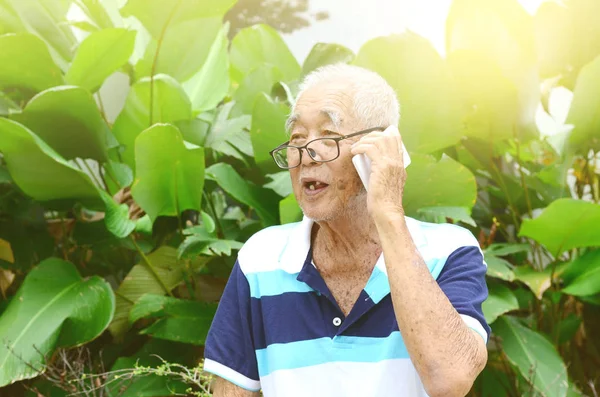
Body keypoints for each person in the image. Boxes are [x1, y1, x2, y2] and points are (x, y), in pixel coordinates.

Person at [203, 63, 490, 397]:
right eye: (297, 137)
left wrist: (389, 215)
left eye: (328, 135)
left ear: (378, 149)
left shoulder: (449, 250)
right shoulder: (260, 259)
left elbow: (450, 378)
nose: (305, 155)